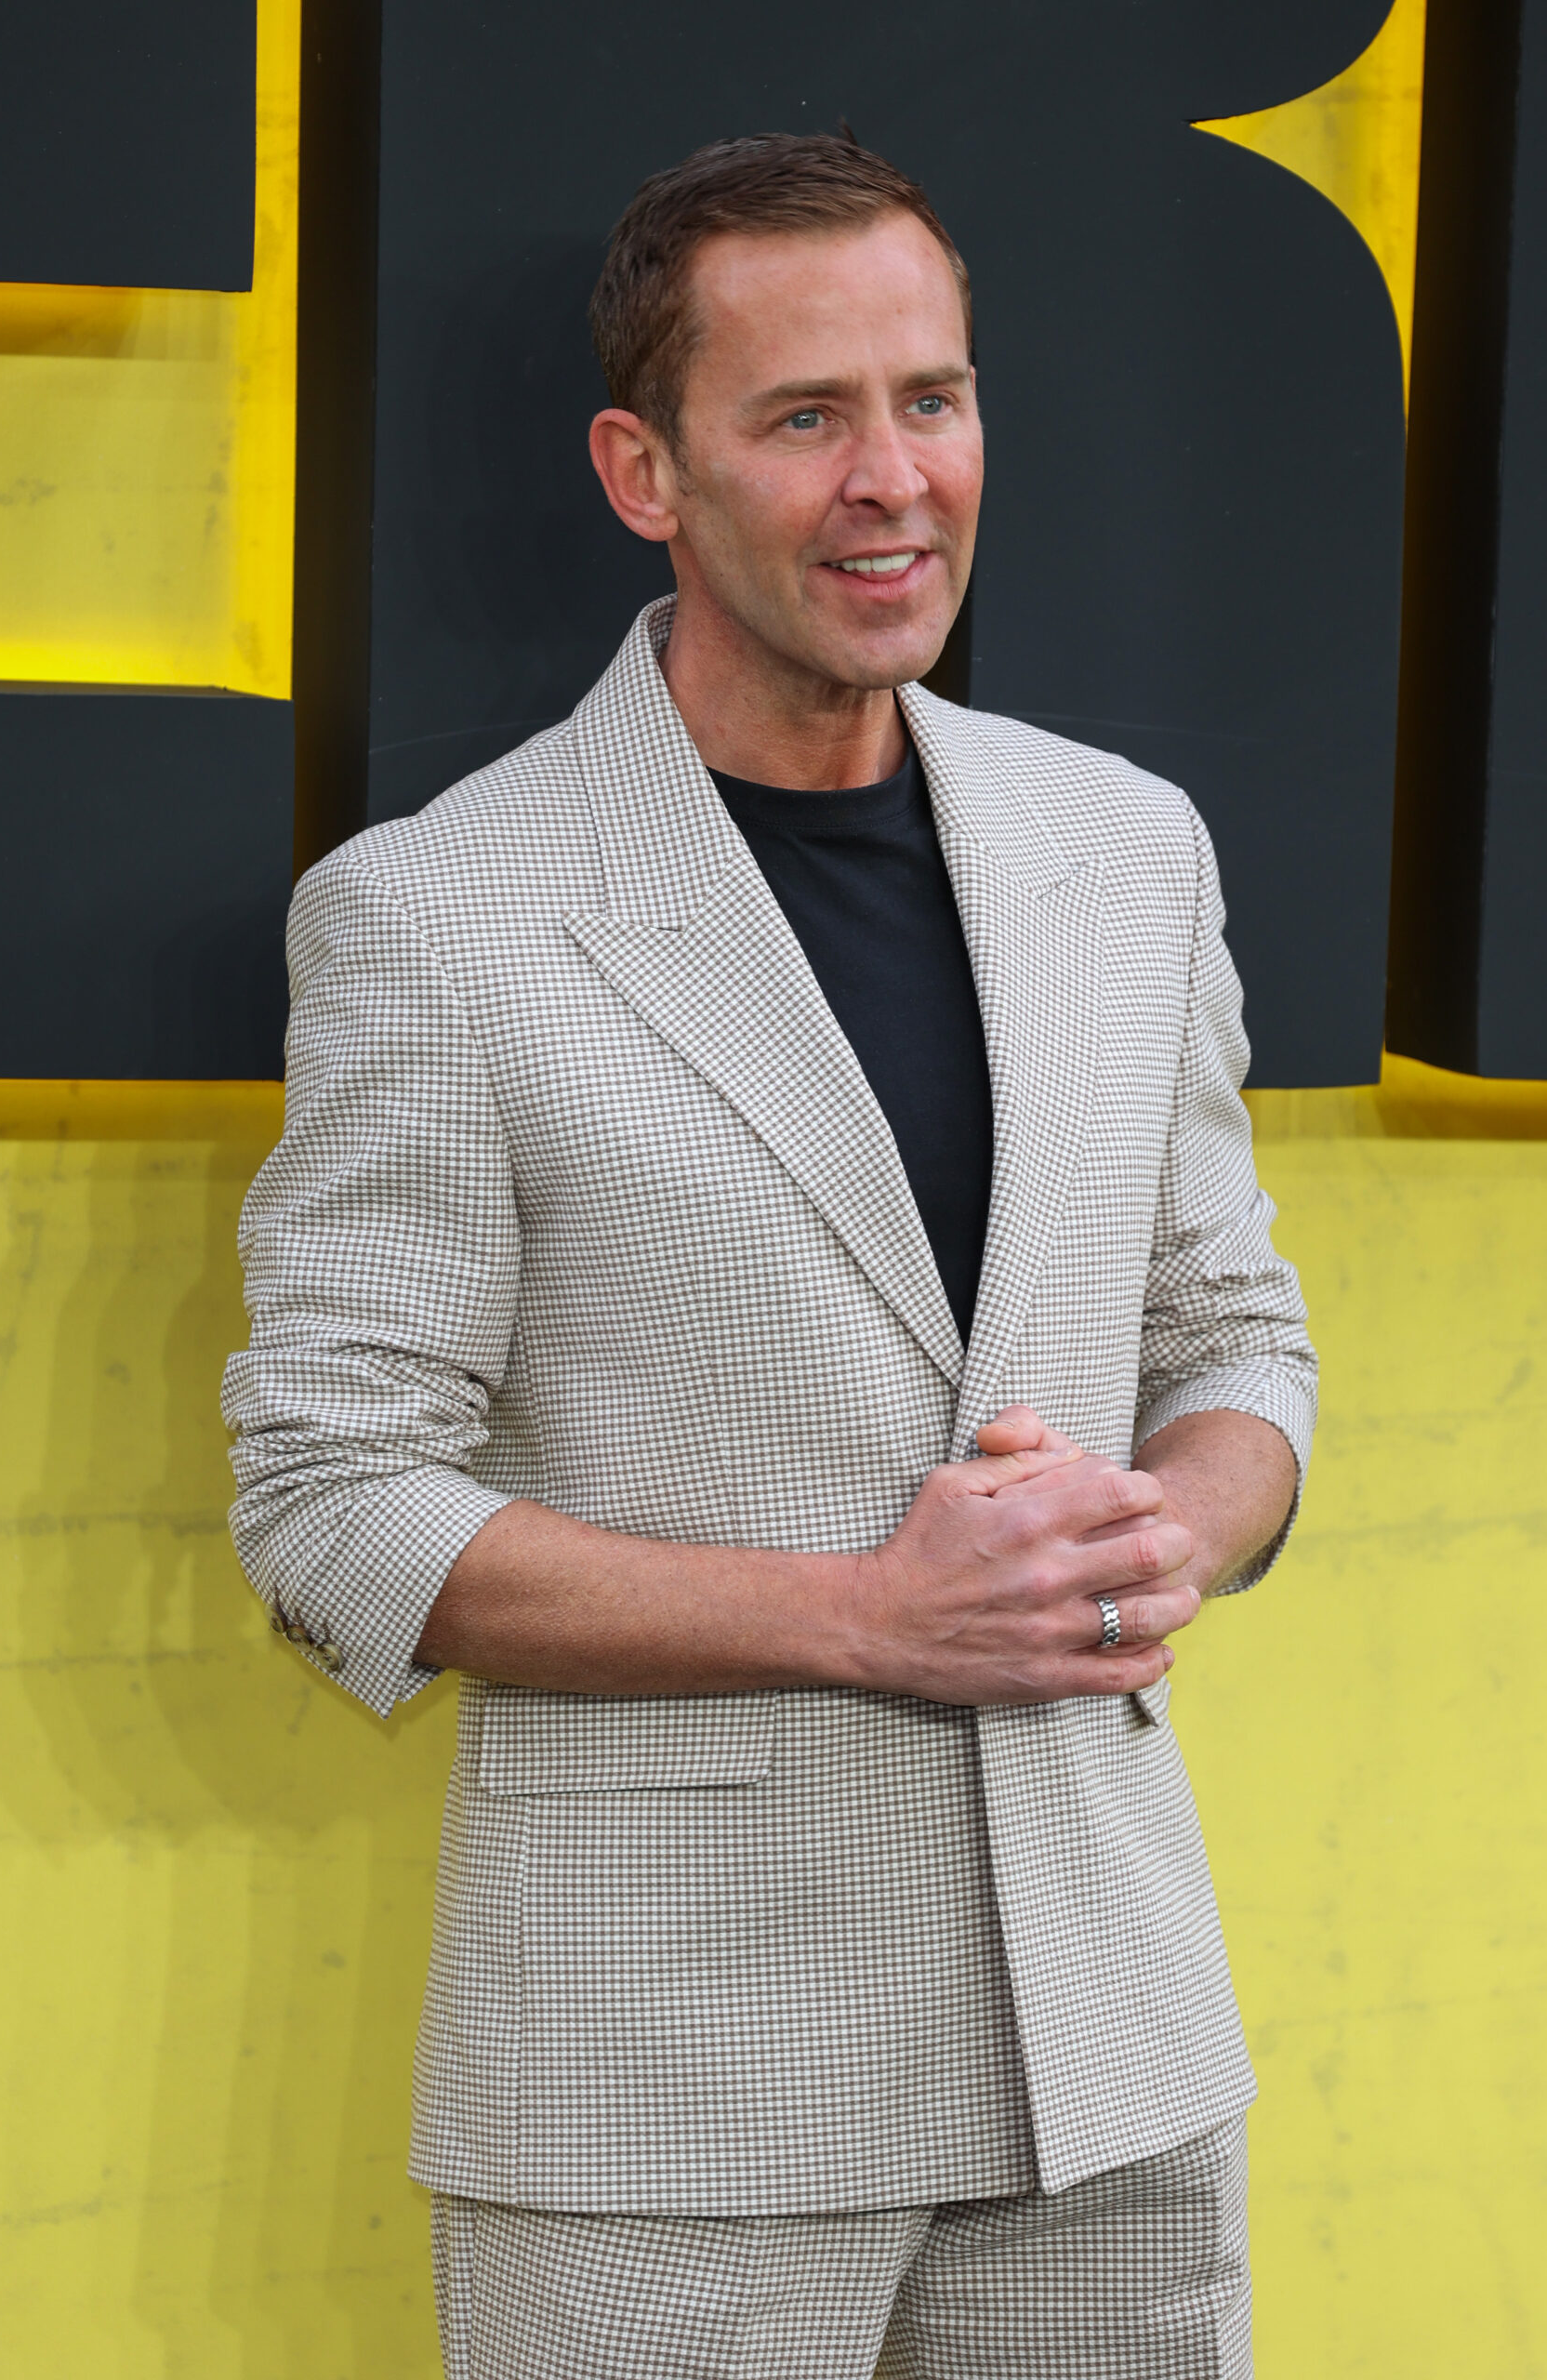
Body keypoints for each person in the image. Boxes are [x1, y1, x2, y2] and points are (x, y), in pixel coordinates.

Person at [223, 132, 1315, 2379]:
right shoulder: (440, 914)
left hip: (1110, 2056)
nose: (892, 479)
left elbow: (1237, 1339)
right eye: (804, 416)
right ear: (649, 469)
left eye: (933, 397)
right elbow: (329, 1502)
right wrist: (870, 1615)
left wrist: (1165, 1526)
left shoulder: (1128, 851)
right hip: (673, 2086)